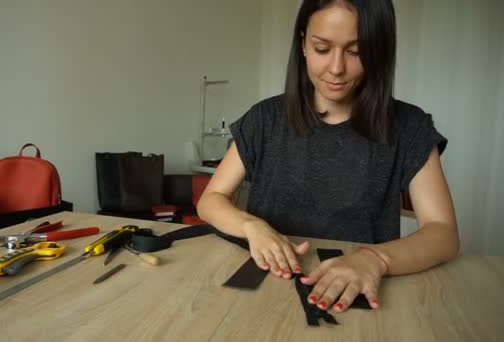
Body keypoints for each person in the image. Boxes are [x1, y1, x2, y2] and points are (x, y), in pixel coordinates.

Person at [197, 0, 459, 314]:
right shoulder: (264, 119)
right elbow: (211, 199)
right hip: (267, 288)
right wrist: (252, 226)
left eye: (356, 51)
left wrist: (375, 259)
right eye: (322, 48)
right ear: (303, 44)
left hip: (357, 293)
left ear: (379, 51)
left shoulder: (409, 127)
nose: (336, 68)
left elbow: (443, 233)